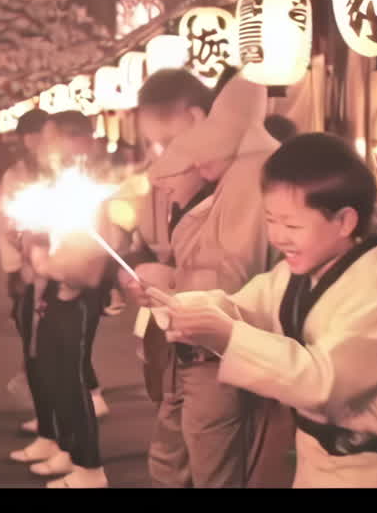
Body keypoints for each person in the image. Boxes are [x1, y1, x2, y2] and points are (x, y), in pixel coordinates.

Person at [138, 132, 377, 488]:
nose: (278, 236)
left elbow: (323, 382)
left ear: (344, 222)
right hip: (312, 468)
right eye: (270, 220)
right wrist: (174, 303)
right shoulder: (298, 273)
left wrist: (228, 335)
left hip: (369, 474)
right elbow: (240, 308)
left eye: (292, 225)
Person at [119, 69, 282, 488]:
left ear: (196, 121)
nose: (163, 156)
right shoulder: (209, 177)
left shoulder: (250, 173)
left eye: (165, 142)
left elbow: (237, 279)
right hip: (187, 349)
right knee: (174, 463)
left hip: (218, 356)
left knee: (211, 470)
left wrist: (168, 279)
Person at [14, 110, 122, 488]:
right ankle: (68, 449)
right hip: (55, 291)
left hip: (77, 296)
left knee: (71, 379)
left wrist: (46, 263)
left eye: (52, 138)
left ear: (76, 141)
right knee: (50, 372)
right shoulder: (60, 181)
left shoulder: (93, 184)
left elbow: (91, 266)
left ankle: (90, 467)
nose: (45, 147)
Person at [0, 109, 52, 430]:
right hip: (29, 270)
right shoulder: (15, 175)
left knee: (53, 342)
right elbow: (5, 225)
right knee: (31, 337)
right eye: (31, 134)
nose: (37, 141)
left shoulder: (63, 171)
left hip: (62, 271)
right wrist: (15, 266)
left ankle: (55, 420)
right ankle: (45, 416)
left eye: (42, 133)